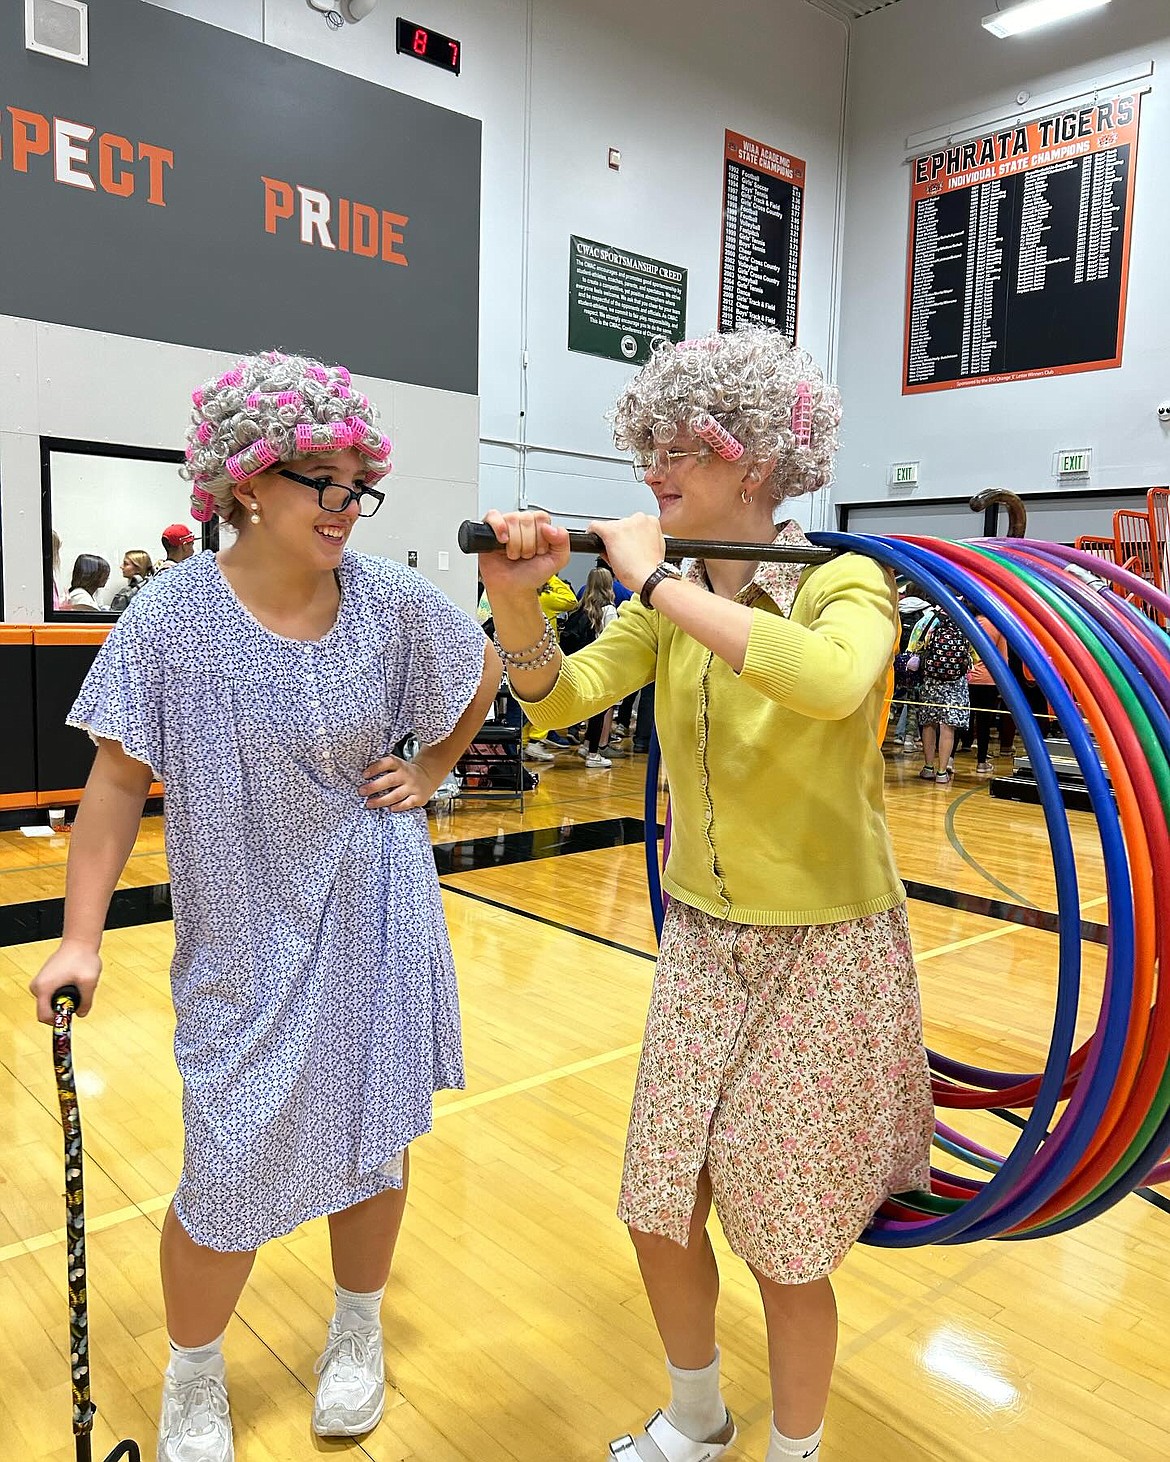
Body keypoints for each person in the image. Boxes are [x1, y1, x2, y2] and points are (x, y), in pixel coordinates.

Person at [29, 351, 499, 1462]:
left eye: (357, 484)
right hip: (243, 923)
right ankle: (194, 1376)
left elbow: (480, 665)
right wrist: (78, 938)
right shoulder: (172, 619)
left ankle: (357, 1330)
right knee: (228, 1157)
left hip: (374, 901)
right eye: (319, 481)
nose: (346, 506)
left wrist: (429, 769)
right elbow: (112, 781)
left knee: (371, 1141)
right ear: (245, 480)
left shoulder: (388, 601)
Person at [479, 327, 933, 1462]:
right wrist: (518, 601)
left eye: (681, 448)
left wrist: (652, 577)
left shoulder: (843, 580)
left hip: (826, 948)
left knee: (784, 1237)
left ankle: (796, 1449)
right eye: (650, 449)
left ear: (761, 463)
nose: (655, 473)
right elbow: (557, 700)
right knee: (657, 1199)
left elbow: (829, 682)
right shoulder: (666, 600)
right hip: (701, 940)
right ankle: (696, 1416)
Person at [915, 607, 971, 785]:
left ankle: (928, 767)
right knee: (948, 727)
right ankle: (942, 772)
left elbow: (914, 646)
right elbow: (974, 657)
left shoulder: (929, 620)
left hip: (931, 680)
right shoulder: (966, 621)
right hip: (956, 682)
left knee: (929, 723)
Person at [109, 549, 155, 614]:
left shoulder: (130, 592)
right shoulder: (151, 588)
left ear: (138, 568)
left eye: (126, 564)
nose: (121, 567)